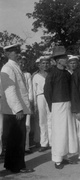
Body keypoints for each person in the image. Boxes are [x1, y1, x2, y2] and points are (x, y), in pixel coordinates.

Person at [1, 44, 34, 173]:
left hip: (15, 110)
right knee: (17, 139)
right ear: (7, 54)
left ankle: (11, 165)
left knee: (14, 139)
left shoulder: (15, 67)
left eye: (17, 52)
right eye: (14, 52)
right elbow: (10, 91)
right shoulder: (8, 68)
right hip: (14, 111)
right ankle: (18, 166)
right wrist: (18, 109)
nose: (17, 54)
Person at [44, 46, 78, 169]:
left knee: (67, 131)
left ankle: (64, 156)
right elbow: (47, 92)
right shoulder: (51, 74)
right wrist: (52, 106)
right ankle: (57, 159)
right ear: (58, 60)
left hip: (67, 104)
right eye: (63, 58)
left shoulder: (67, 74)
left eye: (65, 57)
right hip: (57, 105)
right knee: (59, 132)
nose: (66, 59)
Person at [32, 56, 52, 152]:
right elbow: (33, 91)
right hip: (40, 97)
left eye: (47, 63)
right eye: (43, 63)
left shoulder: (51, 74)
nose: (45, 65)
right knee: (42, 120)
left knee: (51, 119)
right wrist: (35, 104)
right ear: (39, 65)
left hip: (51, 97)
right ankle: (44, 143)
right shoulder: (35, 76)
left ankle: (52, 142)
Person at [18, 56, 34, 154]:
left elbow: (30, 89)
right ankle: (18, 146)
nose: (22, 65)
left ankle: (26, 147)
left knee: (27, 125)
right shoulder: (14, 73)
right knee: (17, 125)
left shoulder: (27, 75)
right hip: (17, 103)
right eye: (20, 63)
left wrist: (31, 101)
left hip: (26, 102)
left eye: (24, 63)